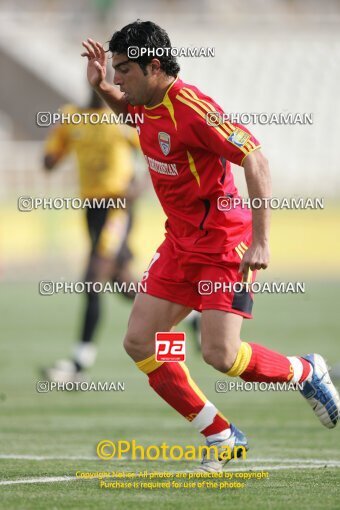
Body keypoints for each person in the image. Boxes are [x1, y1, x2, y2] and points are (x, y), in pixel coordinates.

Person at [81, 21, 340, 471]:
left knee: (221, 356)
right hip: (179, 243)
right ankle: (221, 434)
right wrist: (104, 88)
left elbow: (255, 157)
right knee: (141, 341)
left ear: (154, 65)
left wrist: (261, 239)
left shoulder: (194, 110)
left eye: (124, 69)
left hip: (224, 244)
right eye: (115, 70)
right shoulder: (147, 101)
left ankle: (306, 371)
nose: (119, 78)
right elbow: (133, 115)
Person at [42, 90, 142, 382]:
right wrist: (51, 155)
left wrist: (137, 185)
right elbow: (50, 158)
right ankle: (188, 314)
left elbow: (153, 151)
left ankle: (78, 365)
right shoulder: (71, 117)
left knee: (93, 276)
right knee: (121, 281)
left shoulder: (121, 118)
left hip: (117, 207)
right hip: (92, 209)